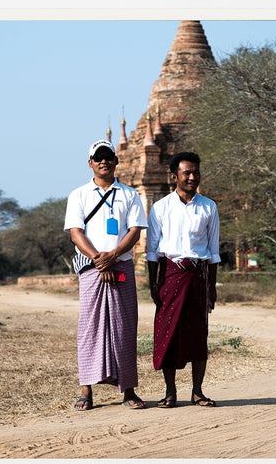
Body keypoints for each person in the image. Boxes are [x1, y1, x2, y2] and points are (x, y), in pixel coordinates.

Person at [63, 139, 148, 410]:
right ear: (90, 163)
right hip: (92, 269)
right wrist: (99, 259)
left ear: (116, 161)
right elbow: (76, 233)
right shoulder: (78, 195)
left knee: (125, 328)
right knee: (89, 329)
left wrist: (113, 256)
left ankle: (129, 391)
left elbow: (134, 231)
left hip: (121, 266)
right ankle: (86, 391)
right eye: (98, 157)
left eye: (108, 156)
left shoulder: (130, 195)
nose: (104, 161)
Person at [145, 151, 220, 408]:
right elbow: (152, 251)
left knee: (199, 335)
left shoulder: (209, 207)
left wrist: (211, 286)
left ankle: (197, 391)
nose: (192, 177)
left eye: (195, 172)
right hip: (170, 275)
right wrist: (153, 283)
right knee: (169, 334)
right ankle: (170, 392)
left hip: (198, 277)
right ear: (174, 176)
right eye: (186, 173)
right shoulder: (160, 208)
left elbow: (213, 251)